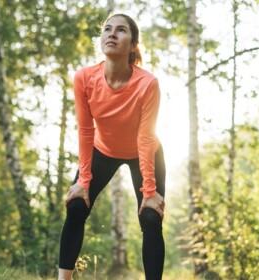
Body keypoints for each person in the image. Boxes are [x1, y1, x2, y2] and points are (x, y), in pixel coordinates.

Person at [58, 13, 166, 280]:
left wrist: (149, 191)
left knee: (151, 217)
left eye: (121, 30)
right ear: (101, 39)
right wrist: (83, 180)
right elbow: (85, 130)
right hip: (102, 150)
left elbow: (145, 137)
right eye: (107, 29)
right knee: (76, 205)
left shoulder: (147, 83)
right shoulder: (84, 77)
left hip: (145, 152)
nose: (112, 34)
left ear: (132, 45)